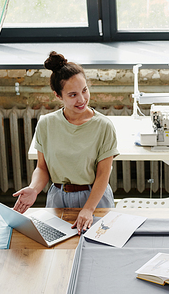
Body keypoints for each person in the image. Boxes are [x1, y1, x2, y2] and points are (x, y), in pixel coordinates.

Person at [13, 51, 119, 234]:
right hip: (57, 199)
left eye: (84, 90)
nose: (82, 99)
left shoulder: (104, 126)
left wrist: (88, 209)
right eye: (72, 95)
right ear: (58, 95)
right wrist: (34, 189)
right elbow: (42, 168)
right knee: (57, 253)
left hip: (94, 199)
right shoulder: (46, 124)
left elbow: (103, 174)